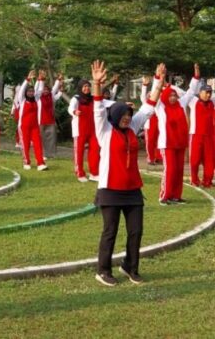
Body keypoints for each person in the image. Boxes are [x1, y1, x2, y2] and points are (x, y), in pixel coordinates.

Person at [91, 60, 162, 287]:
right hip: (110, 190)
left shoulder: (132, 127)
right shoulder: (105, 130)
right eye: (123, 114)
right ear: (116, 115)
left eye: (129, 115)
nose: (127, 118)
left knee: (136, 231)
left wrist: (158, 80)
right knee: (110, 232)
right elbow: (98, 108)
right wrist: (97, 83)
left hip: (132, 190)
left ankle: (130, 267)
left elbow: (150, 105)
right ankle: (103, 270)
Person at [155, 63, 200, 205]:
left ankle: (176, 196)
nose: (173, 98)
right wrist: (158, 78)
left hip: (180, 143)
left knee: (179, 170)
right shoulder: (160, 106)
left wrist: (196, 76)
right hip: (167, 144)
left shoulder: (181, 103)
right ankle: (164, 196)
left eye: (175, 95)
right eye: (171, 96)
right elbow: (154, 93)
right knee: (170, 169)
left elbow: (191, 92)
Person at [68, 79, 99, 182]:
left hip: (92, 129)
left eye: (88, 86)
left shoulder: (93, 99)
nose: (86, 88)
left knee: (95, 150)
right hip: (79, 129)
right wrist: (74, 111)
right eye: (84, 86)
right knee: (79, 151)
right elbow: (70, 108)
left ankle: (94, 173)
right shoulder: (76, 99)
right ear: (80, 88)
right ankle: (80, 172)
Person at [17, 71, 48, 171]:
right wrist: (28, 79)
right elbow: (21, 90)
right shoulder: (22, 100)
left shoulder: (36, 98)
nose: (31, 93)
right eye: (29, 92)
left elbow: (40, 90)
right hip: (24, 126)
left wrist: (42, 80)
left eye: (32, 91)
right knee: (25, 144)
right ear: (26, 93)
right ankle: (26, 162)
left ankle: (40, 163)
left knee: (38, 143)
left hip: (34, 126)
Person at [189, 83, 215, 187]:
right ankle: (194, 180)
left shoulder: (212, 102)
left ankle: (207, 181)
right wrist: (165, 84)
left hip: (209, 136)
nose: (208, 95)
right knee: (195, 160)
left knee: (210, 160)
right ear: (200, 92)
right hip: (196, 135)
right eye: (206, 92)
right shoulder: (193, 101)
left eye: (210, 93)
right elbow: (185, 92)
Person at [37, 71, 63, 158]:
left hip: (51, 120)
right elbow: (39, 89)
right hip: (41, 121)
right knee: (42, 138)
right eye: (44, 90)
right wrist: (41, 80)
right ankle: (43, 153)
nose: (45, 91)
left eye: (47, 90)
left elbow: (55, 88)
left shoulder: (51, 96)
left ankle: (50, 153)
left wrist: (59, 80)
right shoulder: (38, 97)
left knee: (52, 138)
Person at [140, 76, 162, 165]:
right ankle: (150, 158)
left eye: (152, 95)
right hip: (149, 124)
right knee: (150, 142)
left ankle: (158, 157)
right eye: (149, 95)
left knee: (158, 140)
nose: (151, 96)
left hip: (158, 123)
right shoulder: (146, 102)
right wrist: (144, 85)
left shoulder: (159, 103)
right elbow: (142, 96)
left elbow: (158, 92)